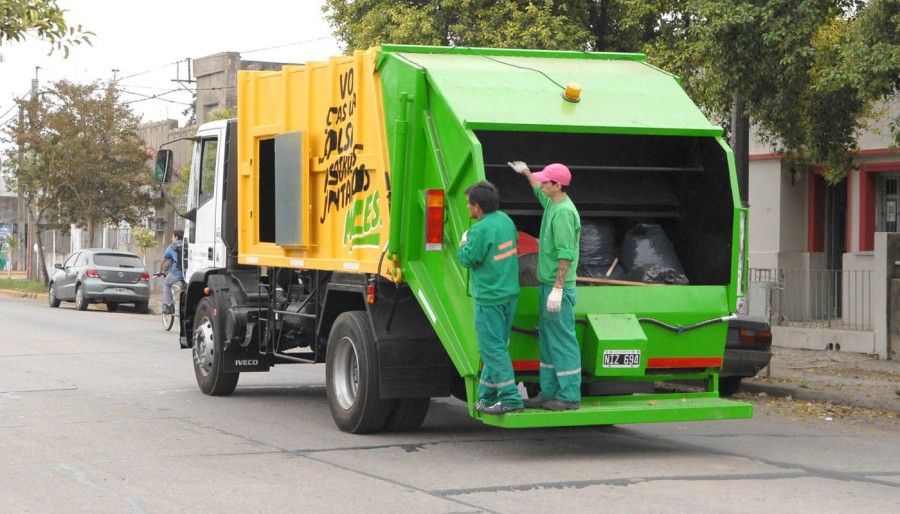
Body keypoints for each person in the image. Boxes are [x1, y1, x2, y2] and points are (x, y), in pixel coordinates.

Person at [508, 161, 582, 411]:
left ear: (558, 185)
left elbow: (566, 254)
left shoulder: (563, 214)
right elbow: (537, 189)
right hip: (547, 285)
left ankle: (570, 396)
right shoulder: (552, 202)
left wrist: (558, 289)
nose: (541, 184)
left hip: (556, 287)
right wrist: (526, 172)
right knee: (549, 341)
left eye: (545, 181)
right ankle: (549, 392)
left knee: (562, 341)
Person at [456, 181, 524, 415]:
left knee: (492, 349)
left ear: (477, 207)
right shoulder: (506, 221)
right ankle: (486, 397)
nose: (467, 208)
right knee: (496, 347)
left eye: (468, 204)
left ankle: (510, 398)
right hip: (509, 295)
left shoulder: (479, 230)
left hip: (489, 299)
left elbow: (468, 259)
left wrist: (463, 244)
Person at [159, 229, 184, 314]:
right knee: (185, 288)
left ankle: (168, 306)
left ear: (176, 237)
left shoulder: (171, 247)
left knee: (167, 283)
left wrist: (160, 271)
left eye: (172, 236)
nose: (171, 238)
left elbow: (164, 260)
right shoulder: (188, 245)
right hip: (188, 273)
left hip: (177, 272)